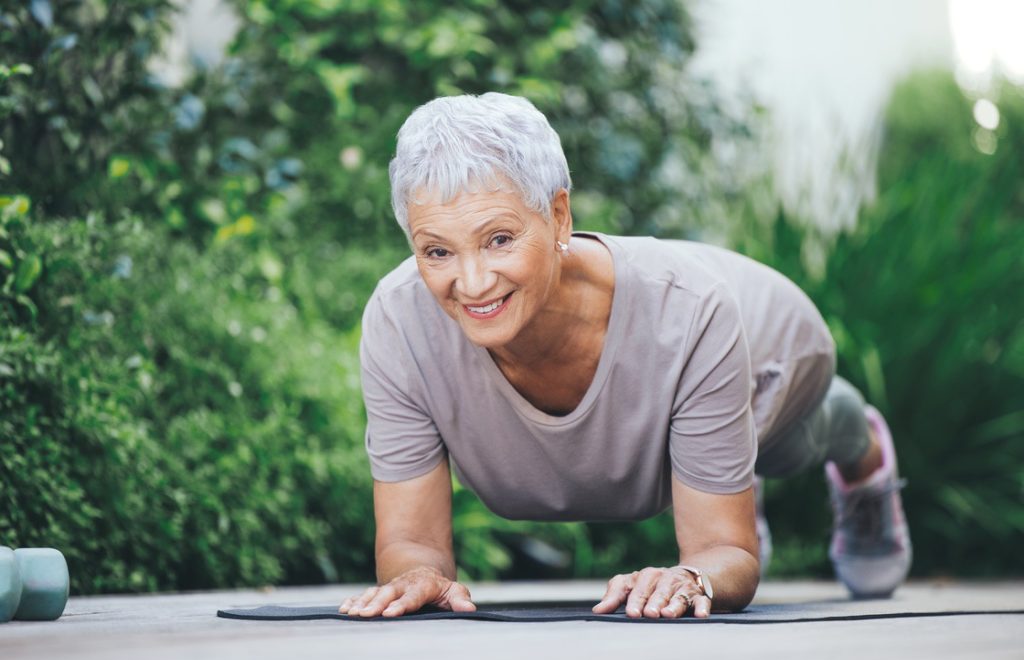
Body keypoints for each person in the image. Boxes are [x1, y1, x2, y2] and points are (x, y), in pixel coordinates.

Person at [338, 93, 912, 620]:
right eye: (437, 250)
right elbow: (411, 544)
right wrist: (416, 577)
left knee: (779, 452)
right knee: (714, 476)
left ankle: (858, 446)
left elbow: (724, 552)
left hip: (768, 347)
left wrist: (700, 568)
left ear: (559, 216)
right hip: (674, 348)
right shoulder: (399, 321)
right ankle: (721, 475)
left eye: (500, 240)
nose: (472, 281)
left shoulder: (693, 314)